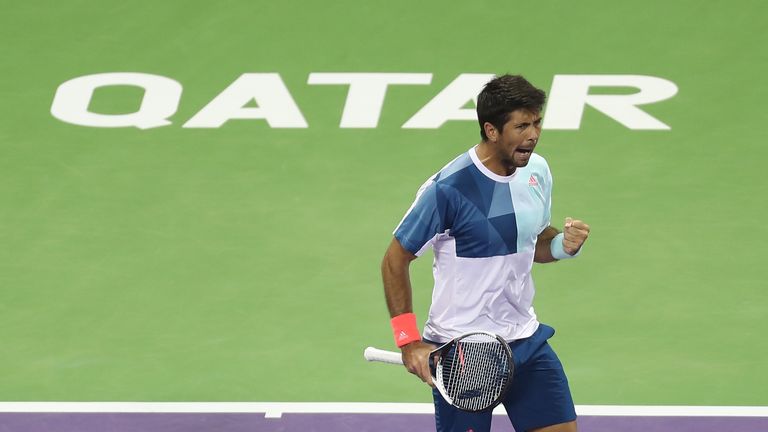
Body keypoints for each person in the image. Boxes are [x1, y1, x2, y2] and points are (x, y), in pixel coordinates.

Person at [380, 74, 590, 432]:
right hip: (464, 350)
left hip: (525, 338)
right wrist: (409, 341)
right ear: (492, 130)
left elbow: (531, 239)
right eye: (522, 125)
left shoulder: (536, 170)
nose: (533, 134)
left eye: (536, 122)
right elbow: (394, 260)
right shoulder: (448, 189)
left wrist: (561, 246)